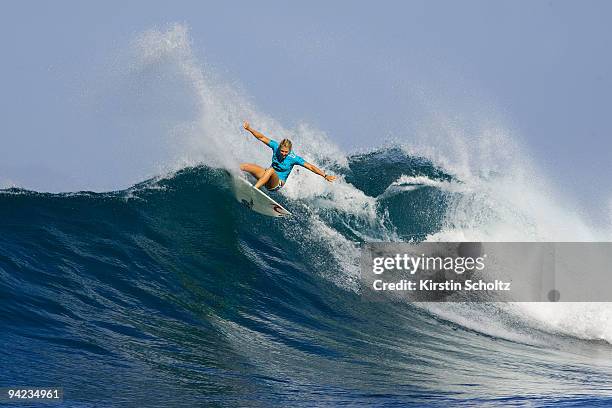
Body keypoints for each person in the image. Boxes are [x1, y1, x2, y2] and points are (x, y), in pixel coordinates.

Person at [240, 121, 337, 191]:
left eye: (286, 152)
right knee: (245, 166)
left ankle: (254, 189)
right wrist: (249, 129)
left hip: (277, 183)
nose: (283, 153)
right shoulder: (275, 146)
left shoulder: (293, 158)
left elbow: (310, 167)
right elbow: (262, 137)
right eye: (282, 151)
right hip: (266, 177)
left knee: (270, 170)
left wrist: (325, 175)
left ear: (290, 151)